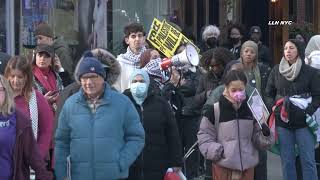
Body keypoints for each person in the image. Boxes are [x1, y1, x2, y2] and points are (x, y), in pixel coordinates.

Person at [54, 56, 145, 180]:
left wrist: (121, 163)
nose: (89, 82)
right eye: (85, 77)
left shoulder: (122, 102)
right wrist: (62, 174)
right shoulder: (70, 104)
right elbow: (61, 142)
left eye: (93, 76)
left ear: (103, 78)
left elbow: (136, 137)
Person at [197, 70, 274, 180]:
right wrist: (218, 151)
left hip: (247, 169)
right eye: (233, 90)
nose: (237, 93)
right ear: (226, 88)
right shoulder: (214, 110)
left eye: (240, 90)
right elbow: (204, 136)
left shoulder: (251, 109)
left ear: (245, 87)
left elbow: (259, 140)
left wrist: (265, 133)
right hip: (223, 169)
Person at [265, 39, 320, 180]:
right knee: (287, 161)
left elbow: (317, 96)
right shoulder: (277, 70)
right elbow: (268, 93)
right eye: (285, 48)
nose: (288, 51)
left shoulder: (310, 72)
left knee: (307, 160)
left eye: (292, 48)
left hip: (304, 123)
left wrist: (306, 113)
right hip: (283, 122)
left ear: (299, 51)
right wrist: (274, 108)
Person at [124, 69, 182, 180]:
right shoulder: (122, 103)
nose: (138, 84)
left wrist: (176, 161)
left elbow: (172, 133)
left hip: (156, 165)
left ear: (147, 83)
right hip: (129, 166)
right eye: (134, 81)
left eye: (141, 81)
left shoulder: (161, 104)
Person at [0, 75, 52, 180]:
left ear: (6, 92)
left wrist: (44, 176)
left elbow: (33, 155)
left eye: (0, 90)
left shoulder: (19, 118)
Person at [4, 56, 53, 160]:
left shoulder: (37, 99)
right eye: (12, 76)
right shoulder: (2, 97)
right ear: (7, 76)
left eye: (20, 77)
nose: (15, 80)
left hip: (28, 161)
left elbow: (47, 130)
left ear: (27, 77)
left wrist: (37, 155)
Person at [32, 44, 70, 113]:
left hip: (57, 115)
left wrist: (60, 69)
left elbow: (67, 92)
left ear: (52, 59)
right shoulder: (29, 75)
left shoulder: (56, 75)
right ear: (35, 57)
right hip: (38, 117)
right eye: (40, 55)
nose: (42, 59)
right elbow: (25, 101)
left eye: (47, 56)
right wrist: (43, 101)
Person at [115, 22, 147, 92]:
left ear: (144, 38)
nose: (137, 39)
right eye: (133, 36)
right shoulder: (119, 63)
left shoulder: (152, 59)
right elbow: (115, 90)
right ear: (127, 40)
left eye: (140, 35)